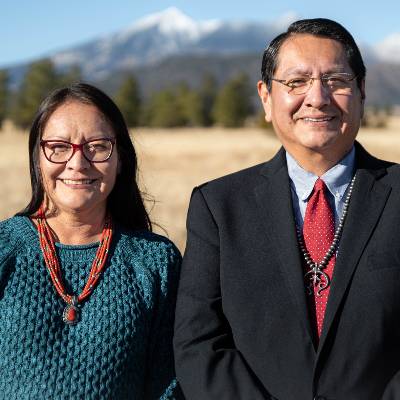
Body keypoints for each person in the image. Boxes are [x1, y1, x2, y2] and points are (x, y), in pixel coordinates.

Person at [174, 18, 400, 400]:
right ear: (266, 98)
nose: (318, 97)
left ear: (362, 91)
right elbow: (199, 344)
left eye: (337, 80)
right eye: (296, 82)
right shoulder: (218, 206)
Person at [0, 83, 182, 399]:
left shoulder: (155, 261)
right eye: (58, 146)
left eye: (97, 147)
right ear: (37, 157)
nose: (78, 163)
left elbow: (169, 386)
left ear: (120, 158)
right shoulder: (5, 249)